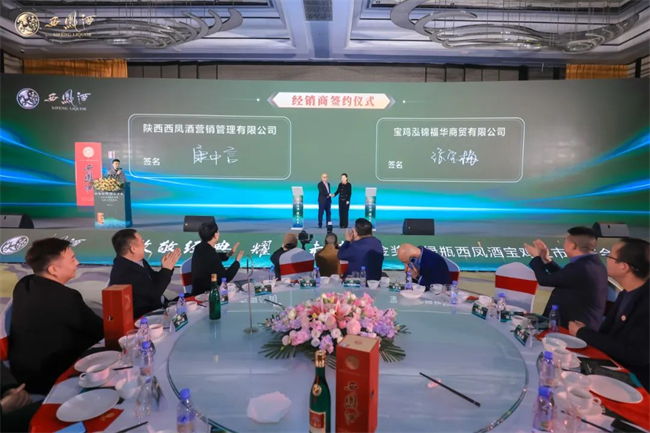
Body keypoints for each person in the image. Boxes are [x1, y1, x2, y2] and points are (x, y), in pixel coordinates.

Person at [9, 238, 104, 394]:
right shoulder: (66, 297)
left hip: (21, 374)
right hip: (50, 378)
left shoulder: (24, 284)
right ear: (53, 270)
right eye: (72, 259)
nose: (78, 263)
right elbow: (99, 331)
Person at [569, 238, 650, 391]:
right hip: (610, 367)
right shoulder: (627, 292)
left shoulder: (645, 304)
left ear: (624, 267)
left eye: (610, 256)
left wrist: (583, 332)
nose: (606, 260)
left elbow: (636, 355)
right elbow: (608, 334)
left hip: (634, 385)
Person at [524, 226, 608, 330]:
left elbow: (544, 280)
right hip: (571, 322)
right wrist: (546, 259)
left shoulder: (582, 267)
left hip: (575, 328)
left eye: (565, 241)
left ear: (573, 246)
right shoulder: (591, 263)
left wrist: (536, 257)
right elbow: (564, 276)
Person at [109, 229, 181, 319]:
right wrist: (166, 270)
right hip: (148, 315)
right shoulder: (124, 273)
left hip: (161, 304)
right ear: (133, 249)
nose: (145, 244)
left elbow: (154, 280)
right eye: (142, 241)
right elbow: (154, 294)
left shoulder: (137, 261)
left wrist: (166, 268)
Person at [191, 222, 244, 295]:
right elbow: (225, 278)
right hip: (206, 294)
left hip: (197, 290)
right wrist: (237, 262)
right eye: (218, 232)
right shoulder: (211, 255)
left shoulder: (199, 247)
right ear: (215, 235)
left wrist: (228, 254)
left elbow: (213, 258)